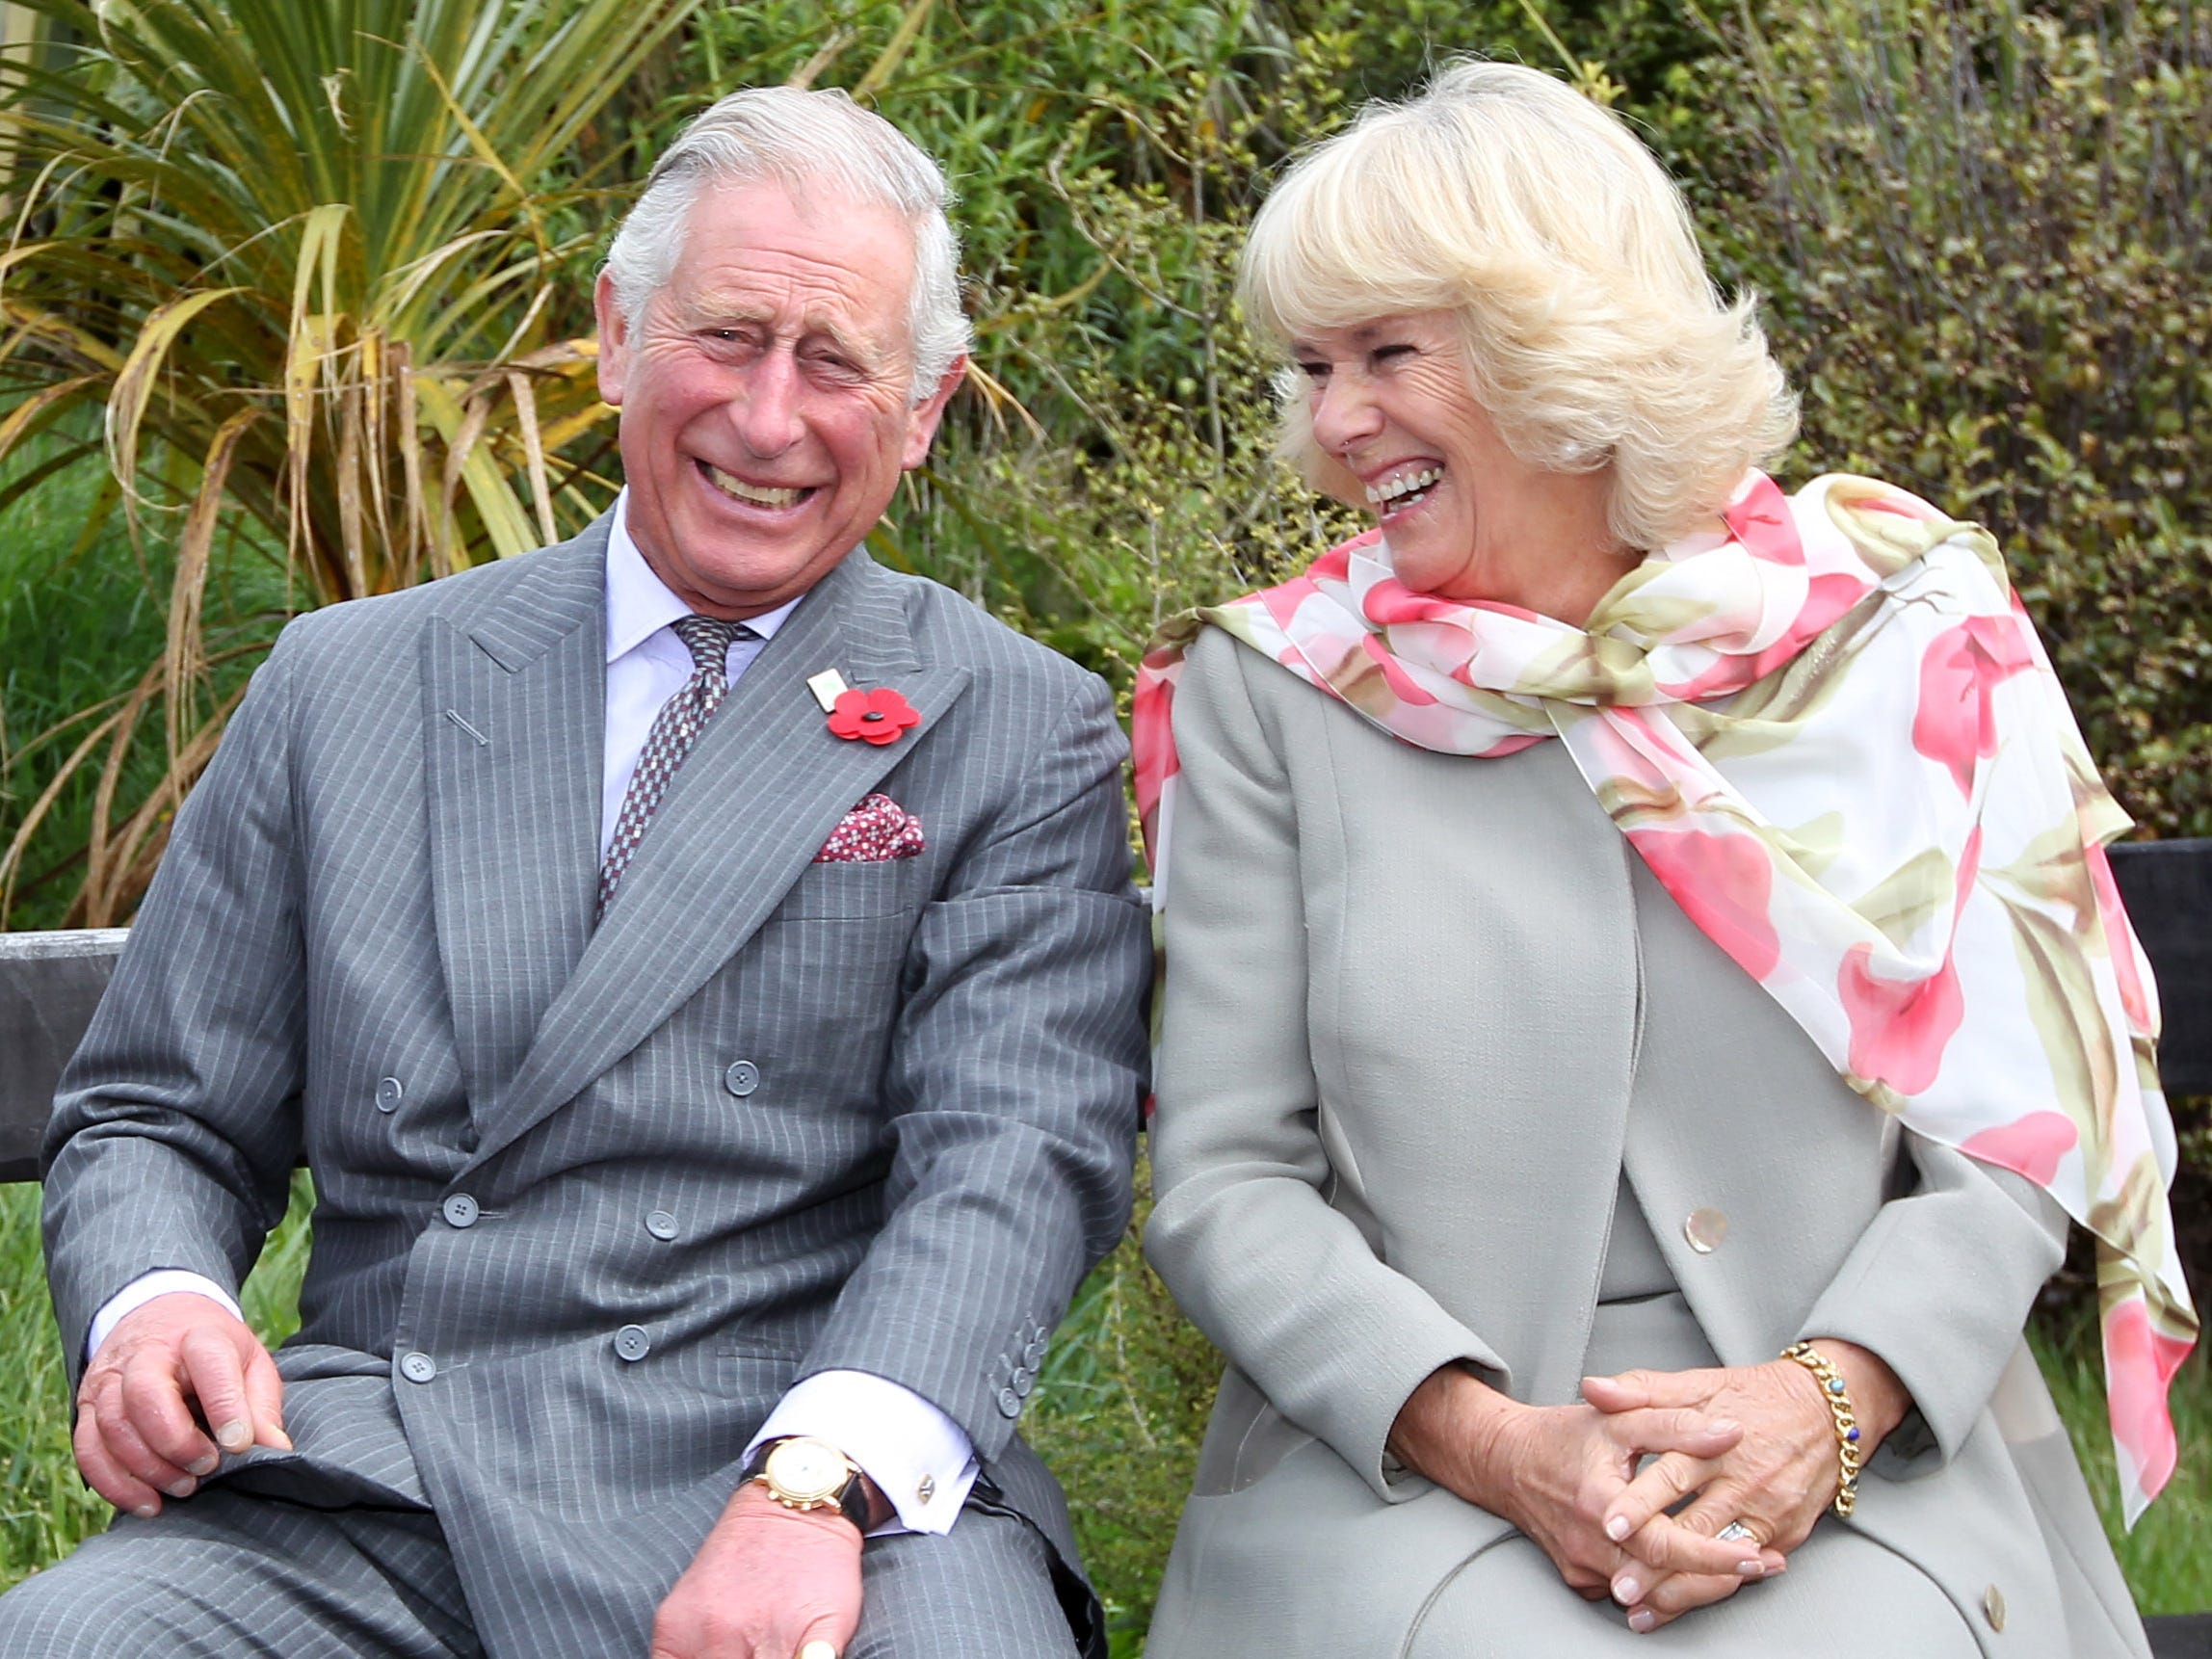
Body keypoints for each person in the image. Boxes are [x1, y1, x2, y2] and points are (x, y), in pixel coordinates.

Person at [1, 86, 1149, 1659]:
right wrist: (156, 1303)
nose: (768, 419)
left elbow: (1009, 1166)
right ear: (617, 335)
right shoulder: (351, 682)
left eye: (835, 364)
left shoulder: (1013, 723)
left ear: (928, 405)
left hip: (840, 1478)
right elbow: (161, 1110)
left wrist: (815, 1486)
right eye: (728, 338)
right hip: (389, 1486)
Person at [1131, 62, 2193, 1658]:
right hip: (1414, 1475)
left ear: (1556, 345)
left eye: (1388, 354)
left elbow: (2017, 1129)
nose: (1337, 423)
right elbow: (1225, 1177)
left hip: (1858, 1444)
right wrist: (1496, 1439)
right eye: (1312, 367)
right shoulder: (1275, 694)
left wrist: (1824, 1403)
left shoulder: (1896, 635)